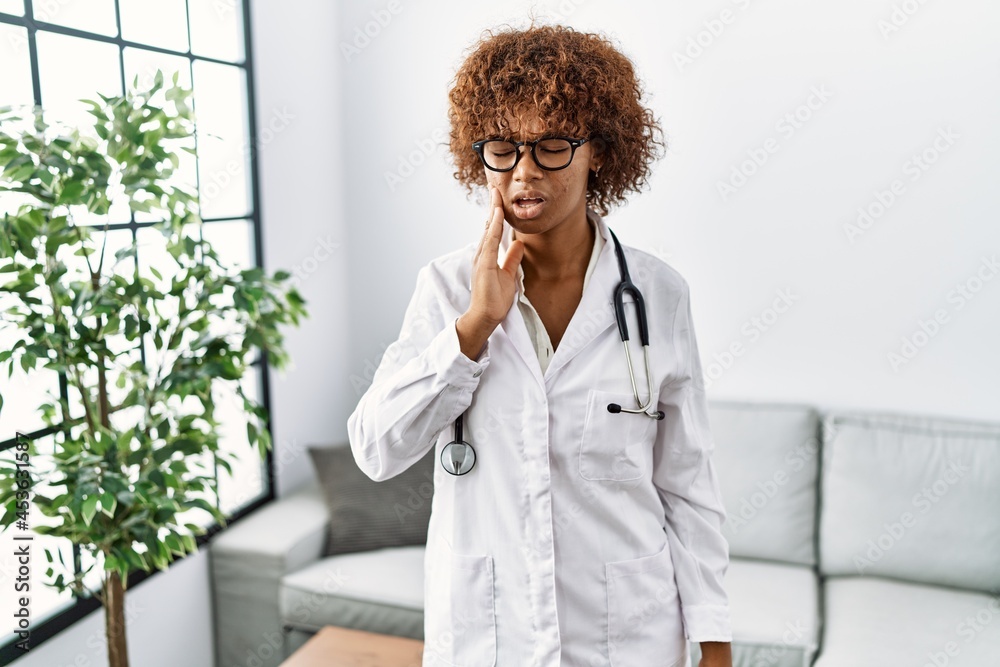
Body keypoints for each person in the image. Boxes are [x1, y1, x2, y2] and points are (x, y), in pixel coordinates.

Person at [348, 21, 733, 667]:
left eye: (552, 145)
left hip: (626, 636)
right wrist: (473, 329)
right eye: (503, 147)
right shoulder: (446, 289)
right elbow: (376, 448)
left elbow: (687, 482)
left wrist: (715, 643)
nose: (524, 172)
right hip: (489, 636)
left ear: (600, 151)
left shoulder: (659, 295)